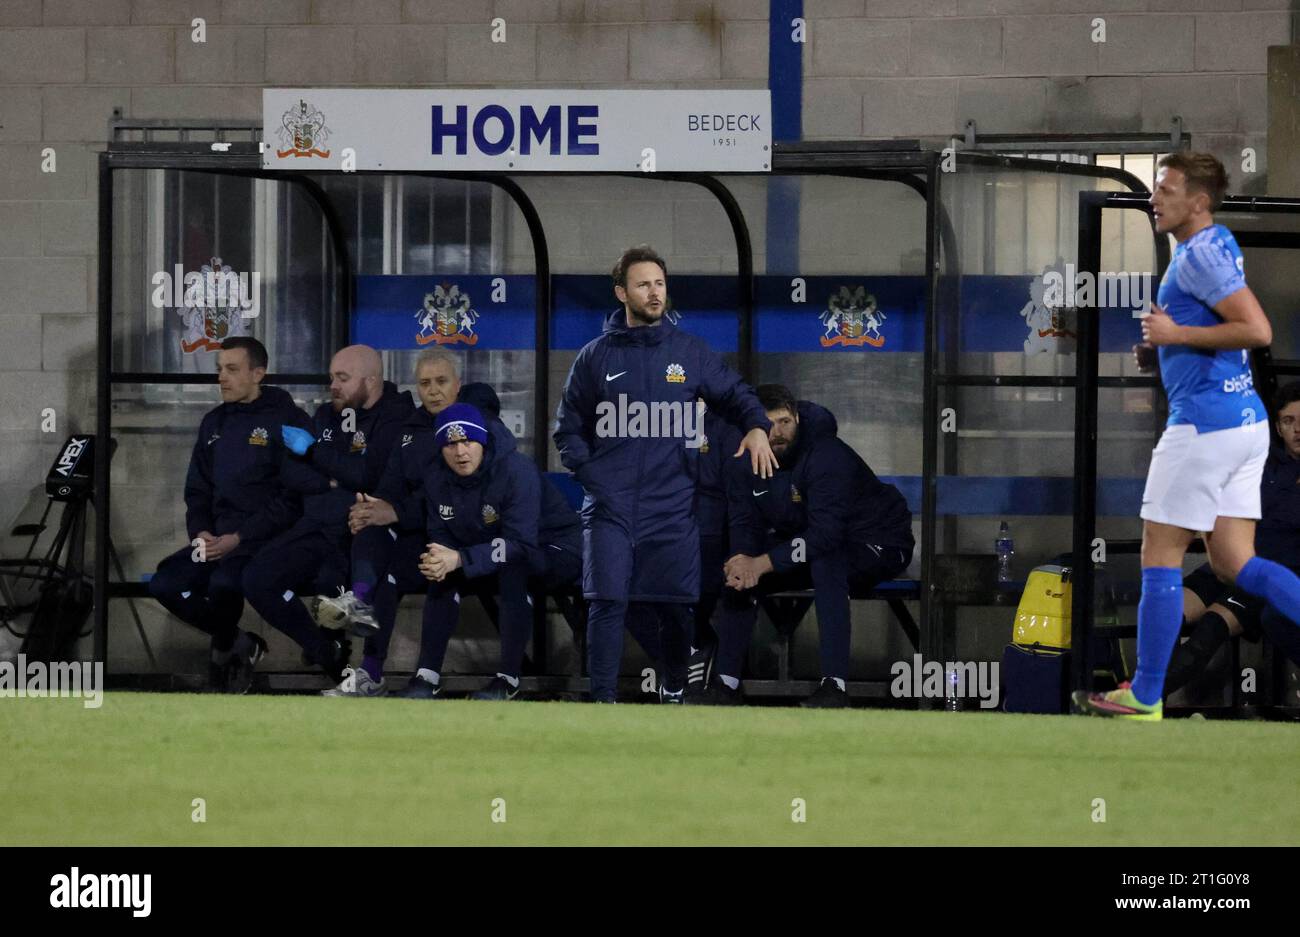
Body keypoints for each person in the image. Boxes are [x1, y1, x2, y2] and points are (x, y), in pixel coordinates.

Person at [1075, 152, 1300, 720]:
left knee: (1160, 552)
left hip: (1205, 428)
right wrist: (1167, 348)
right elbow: (1218, 334)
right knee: (1235, 563)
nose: (1156, 198)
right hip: (1244, 423)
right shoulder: (1215, 242)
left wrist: (1175, 331)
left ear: (1197, 202)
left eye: (1167, 189)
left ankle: (1146, 694)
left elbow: (1256, 329)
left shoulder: (1198, 253)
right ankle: (1146, 693)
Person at [553, 245, 776, 703]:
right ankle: (602, 703)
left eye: (659, 283)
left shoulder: (690, 353)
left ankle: (673, 688)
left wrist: (756, 427)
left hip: (671, 508)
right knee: (606, 602)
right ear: (622, 293)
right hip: (610, 509)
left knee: (676, 608)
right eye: (643, 285)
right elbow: (567, 430)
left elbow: (736, 394)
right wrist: (595, 479)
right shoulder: (595, 357)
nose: (654, 293)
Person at [697, 384, 914, 708]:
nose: (778, 432)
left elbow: (826, 534)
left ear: (797, 417)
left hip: (878, 539)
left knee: (826, 560)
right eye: (768, 424)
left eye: (785, 421)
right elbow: (744, 521)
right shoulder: (743, 459)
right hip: (812, 539)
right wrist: (744, 559)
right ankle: (725, 685)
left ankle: (834, 688)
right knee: (739, 573)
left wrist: (763, 562)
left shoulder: (825, 453)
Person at [239, 345, 412, 684]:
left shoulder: (397, 416)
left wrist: (319, 456)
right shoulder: (325, 415)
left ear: (371, 380)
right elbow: (293, 473)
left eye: (343, 378)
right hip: (315, 525)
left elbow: (368, 477)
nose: (333, 385)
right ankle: (324, 651)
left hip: (358, 534)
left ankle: (356, 672)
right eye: (332, 377)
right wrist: (335, 477)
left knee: (332, 585)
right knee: (256, 578)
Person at [148, 337, 309, 693]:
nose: (222, 377)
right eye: (219, 369)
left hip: (262, 543)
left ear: (258, 373)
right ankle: (239, 642)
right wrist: (201, 532)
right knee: (165, 584)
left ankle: (226, 661)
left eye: (232, 370)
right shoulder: (214, 422)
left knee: (224, 585)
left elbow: (292, 498)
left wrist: (240, 537)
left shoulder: (288, 420)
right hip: (216, 539)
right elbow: (197, 489)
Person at [315, 349, 462, 697]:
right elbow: (391, 484)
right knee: (372, 528)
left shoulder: (471, 426)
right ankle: (360, 610)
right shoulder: (410, 428)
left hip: (462, 536)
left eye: (441, 382)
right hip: (418, 531)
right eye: (425, 383)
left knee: (426, 566)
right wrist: (374, 507)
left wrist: (395, 511)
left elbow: (458, 497)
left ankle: (417, 675)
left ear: (458, 384)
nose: (433, 391)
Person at [411, 403, 579, 700]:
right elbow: (440, 530)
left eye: (467, 441)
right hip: (491, 549)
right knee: (442, 575)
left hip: (554, 547)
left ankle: (508, 680)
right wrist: (438, 558)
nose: (461, 452)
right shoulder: (435, 476)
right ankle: (426, 677)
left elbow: (521, 544)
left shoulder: (516, 469)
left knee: (514, 568)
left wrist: (461, 558)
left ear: (483, 441)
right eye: (451, 444)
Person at [1164, 380, 1300, 697]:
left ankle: (1137, 701)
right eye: (1288, 421)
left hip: (1265, 579)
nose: (1297, 430)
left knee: (1208, 632)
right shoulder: (1261, 464)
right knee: (1163, 613)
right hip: (1225, 567)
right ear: (1278, 427)